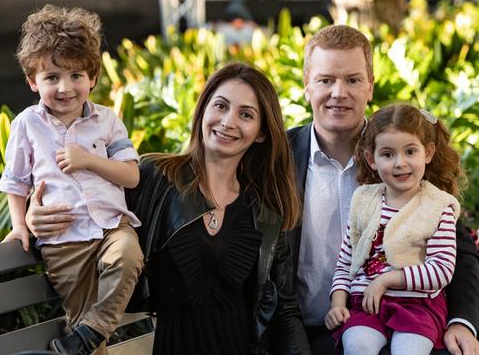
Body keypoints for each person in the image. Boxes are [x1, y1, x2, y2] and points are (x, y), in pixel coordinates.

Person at [24, 63, 312, 355]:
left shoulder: (264, 213)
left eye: (246, 115)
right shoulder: (155, 178)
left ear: (261, 133)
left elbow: (284, 311)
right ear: (203, 111)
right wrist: (30, 218)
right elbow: (87, 205)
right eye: (221, 106)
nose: (228, 121)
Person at [286, 24, 479, 355]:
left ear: (370, 87)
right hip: (306, 332)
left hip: (406, 327)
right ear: (307, 86)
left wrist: (463, 323)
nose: (339, 92)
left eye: (352, 80)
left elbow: (459, 254)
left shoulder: (403, 156)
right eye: (325, 80)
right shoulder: (279, 157)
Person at [0, 5, 143, 355]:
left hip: (111, 227)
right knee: (86, 339)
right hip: (64, 242)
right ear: (33, 81)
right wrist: (20, 225)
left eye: (76, 75)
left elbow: (132, 175)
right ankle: (91, 334)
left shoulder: (107, 121)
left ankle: (93, 330)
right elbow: (16, 181)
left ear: (92, 77)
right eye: (52, 77)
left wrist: (88, 160)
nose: (66, 87)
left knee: (129, 255)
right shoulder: (27, 125)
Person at [326, 104, 464, 354]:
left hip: (417, 306)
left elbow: (442, 269)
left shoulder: (437, 207)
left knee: (408, 350)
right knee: (357, 345)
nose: (400, 163)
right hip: (366, 304)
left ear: (428, 153)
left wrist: (387, 279)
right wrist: (337, 302)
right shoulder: (363, 201)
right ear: (371, 160)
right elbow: (347, 260)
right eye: (388, 154)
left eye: (410, 151)